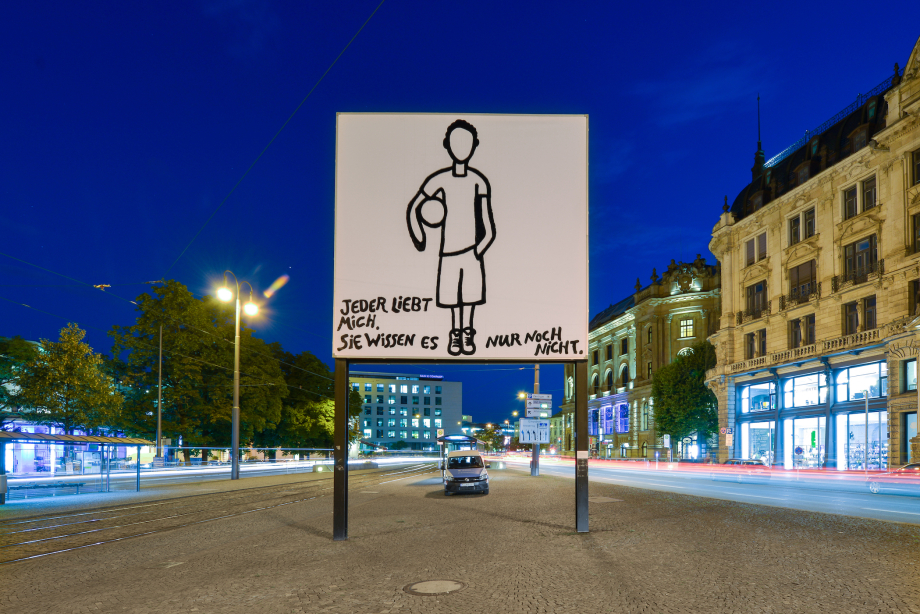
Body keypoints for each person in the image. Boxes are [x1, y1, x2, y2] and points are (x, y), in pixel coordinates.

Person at [406, 119, 496, 356]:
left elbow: (488, 223)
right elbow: (415, 206)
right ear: (447, 145)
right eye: (456, 142)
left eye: (467, 142)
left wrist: (480, 247)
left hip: (471, 251)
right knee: (453, 301)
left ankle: (468, 333)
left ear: (474, 145)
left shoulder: (479, 181)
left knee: (470, 299)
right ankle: (455, 335)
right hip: (447, 252)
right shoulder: (440, 179)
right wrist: (420, 237)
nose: (461, 147)